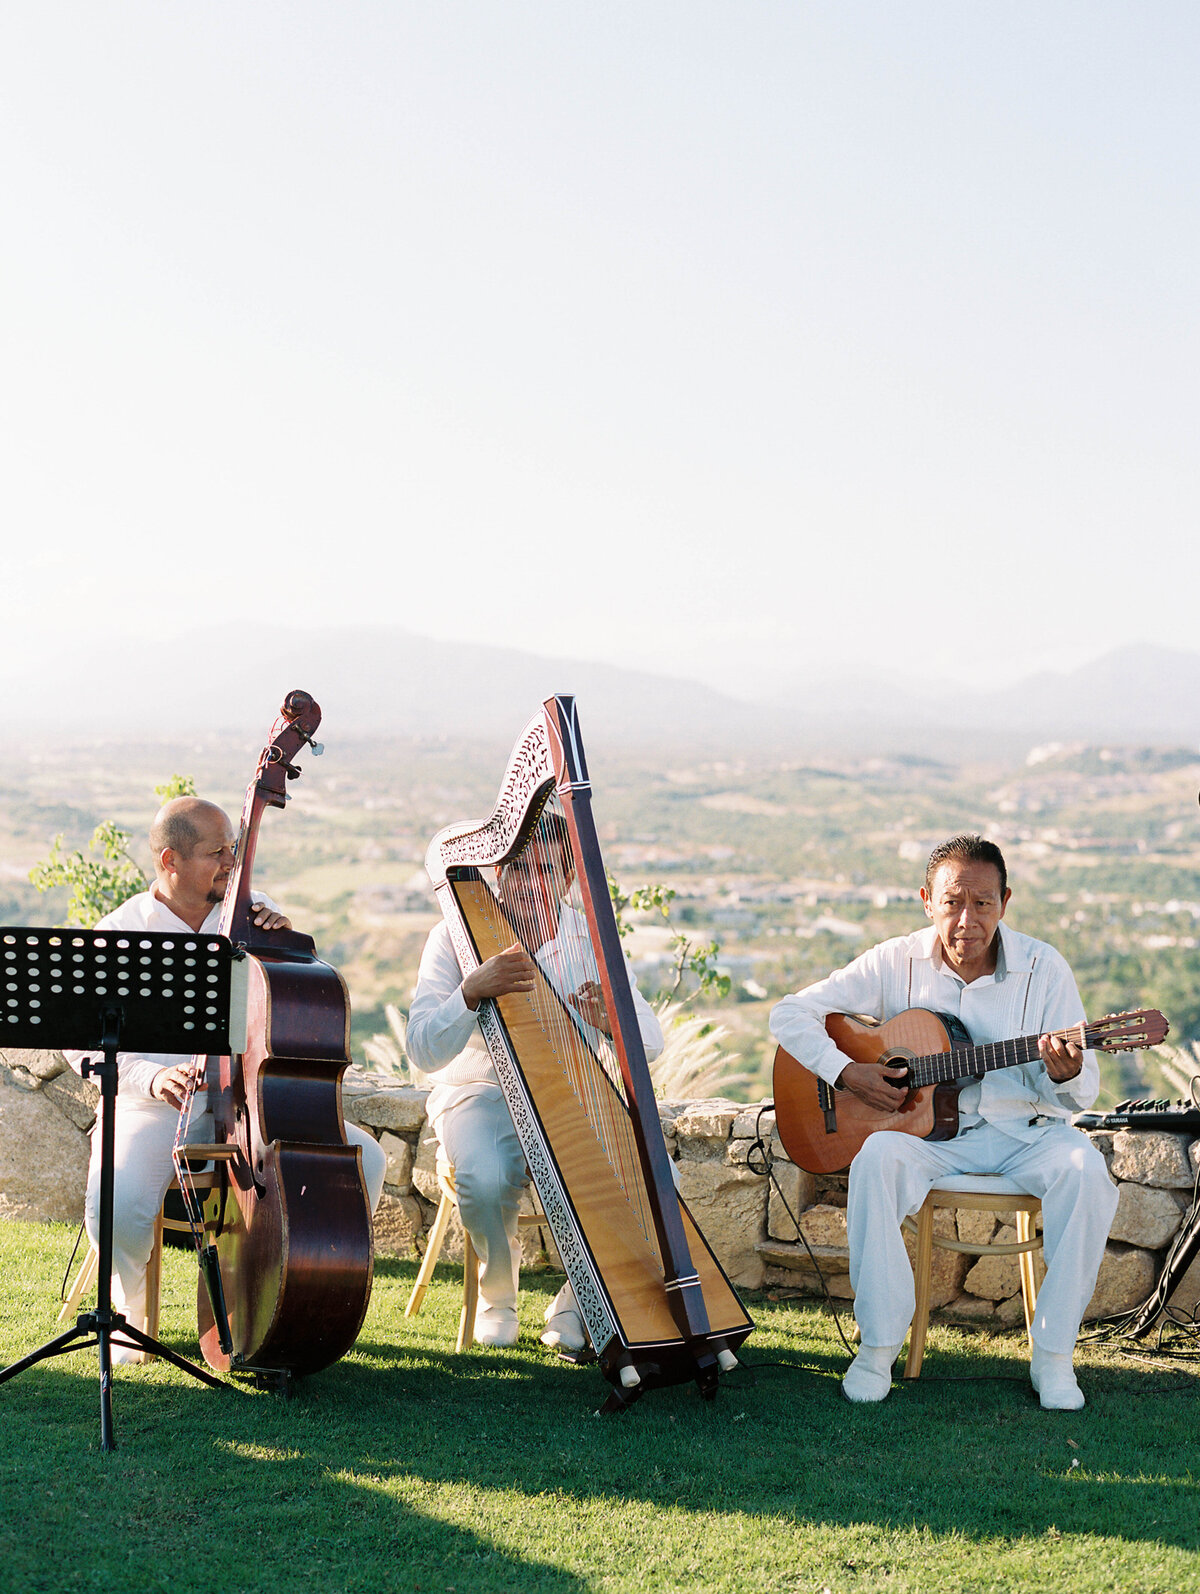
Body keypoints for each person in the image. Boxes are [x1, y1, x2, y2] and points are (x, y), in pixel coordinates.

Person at [770, 834, 1118, 1411]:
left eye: (982, 903)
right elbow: (790, 1013)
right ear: (927, 899)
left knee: (1085, 1169)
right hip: (930, 1142)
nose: (967, 919)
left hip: (1024, 1136)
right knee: (877, 1158)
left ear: (1005, 902)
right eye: (953, 901)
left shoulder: (1043, 967)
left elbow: (1081, 1096)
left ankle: (1054, 1356)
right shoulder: (894, 960)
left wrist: (1063, 1072)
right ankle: (877, 1348)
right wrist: (845, 1073)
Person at [65, 797, 387, 1361]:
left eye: (232, 848)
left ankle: (304, 1290)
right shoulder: (119, 931)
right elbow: (80, 1045)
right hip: (156, 1105)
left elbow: (290, 1004)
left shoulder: (253, 913)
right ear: (170, 860)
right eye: (217, 853)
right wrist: (150, 1077)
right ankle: (130, 1314)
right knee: (113, 1200)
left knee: (369, 1161)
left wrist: (285, 945)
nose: (232, 863)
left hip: (249, 1102)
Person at [407, 825, 664, 1349]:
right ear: (498, 869)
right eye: (518, 868)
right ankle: (497, 1295)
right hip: (478, 1090)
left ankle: (575, 1304)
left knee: (661, 1181)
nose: (527, 882)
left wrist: (611, 1022)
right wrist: (470, 992)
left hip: (569, 1095)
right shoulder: (453, 936)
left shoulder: (591, 937)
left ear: (569, 877)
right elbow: (421, 1048)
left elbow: (652, 1042)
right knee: (482, 1175)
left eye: (544, 870)